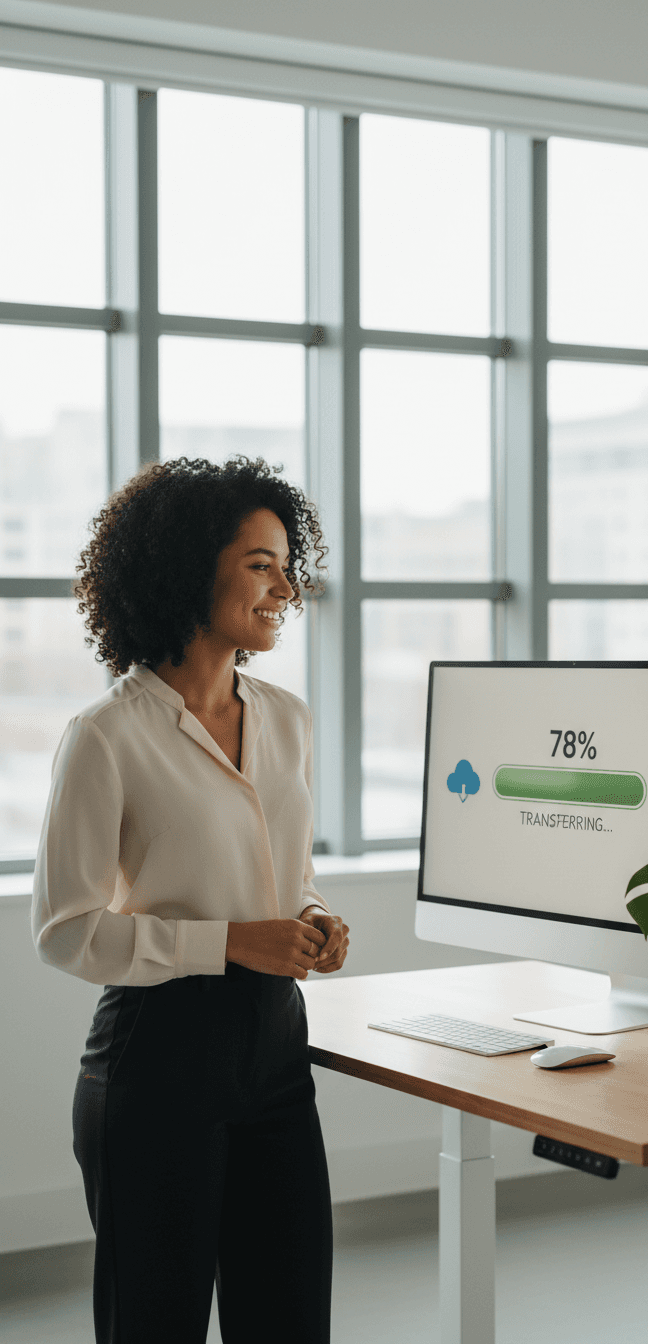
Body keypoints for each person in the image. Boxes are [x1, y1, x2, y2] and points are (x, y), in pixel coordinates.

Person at [31, 455, 349, 1344]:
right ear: (185, 569)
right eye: (260, 563)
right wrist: (231, 944)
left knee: (290, 1325)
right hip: (156, 1063)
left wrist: (310, 917)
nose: (286, 585)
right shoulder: (106, 737)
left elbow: (283, 869)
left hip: (277, 1053)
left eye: (288, 563)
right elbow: (66, 932)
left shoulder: (287, 719)